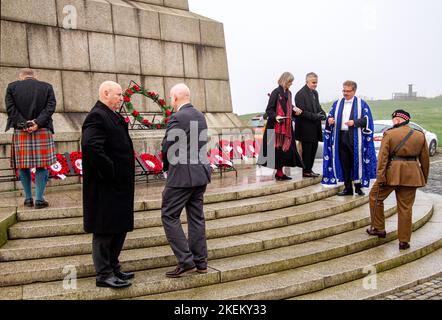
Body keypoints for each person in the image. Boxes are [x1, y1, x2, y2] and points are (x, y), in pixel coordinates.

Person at [81, 81, 135, 289]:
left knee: (119, 227)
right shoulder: (97, 115)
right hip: (106, 186)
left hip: (119, 186)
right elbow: (90, 146)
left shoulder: (111, 114)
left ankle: (113, 267)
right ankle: (103, 274)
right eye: (119, 95)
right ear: (106, 93)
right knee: (105, 230)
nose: (122, 99)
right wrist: (111, 170)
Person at [161, 83, 212, 278]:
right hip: (200, 174)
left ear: (175, 97)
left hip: (181, 176)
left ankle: (185, 260)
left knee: (169, 215)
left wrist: (166, 167)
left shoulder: (177, 117)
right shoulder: (200, 115)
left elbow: (167, 146)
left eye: (170, 97)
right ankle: (201, 262)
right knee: (196, 217)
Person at [367, 110, 429, 250]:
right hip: (412, 174)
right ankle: (404, 241)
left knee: (375, 196)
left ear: (396, 120)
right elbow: (425, 160)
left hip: (391, 173)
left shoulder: (389, 134)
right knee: (406, 208)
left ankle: (378, 228)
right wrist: (423, 177)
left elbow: (382, 158)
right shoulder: (420, 136)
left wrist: (380, 176)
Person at [5, 68, 56, 209]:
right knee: (42, 164)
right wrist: (37, 123)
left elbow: (10, 109)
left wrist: (24, 124)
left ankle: (28, 199)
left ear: (21, 77)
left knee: (23, 165)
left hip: (21, 131)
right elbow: (50, 107)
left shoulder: (12, 87)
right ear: (35, 77)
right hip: (42, 129)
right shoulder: (47, 87)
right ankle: (39, 200)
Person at [322, 80, 377, 195]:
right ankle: (347, 188)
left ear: (354, 91)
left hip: (355, 138)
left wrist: (355, 122)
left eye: (348, 91)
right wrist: (330, 120)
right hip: (340, 137)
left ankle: (358, 187)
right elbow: (330, 118)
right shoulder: (337, 104)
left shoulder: (362, 104)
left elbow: (367, 120)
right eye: (344, 90)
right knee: (344, 163)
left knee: (356, 162)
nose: (345, 93)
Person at [258, 72, 304, 180]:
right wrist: (276, 117)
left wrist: (294, 109)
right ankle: (279, 173)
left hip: (286, 127)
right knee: (277, 152)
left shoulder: (289, 93)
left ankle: (280, 173)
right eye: (289, 81)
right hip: (275, 127)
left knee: (286, 151)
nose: (291, 84)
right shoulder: (275, 92)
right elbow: (269, 110)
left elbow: (287, 106)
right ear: (284, 80)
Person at [295, 72, 327, 178]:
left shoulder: (315, 93)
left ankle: (310, 169)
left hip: (315, 127)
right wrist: (316, 116)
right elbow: (302, 112)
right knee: (307, 151)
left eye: (316, 82)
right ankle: (306, 170)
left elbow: (318, 107)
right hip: (305, 128)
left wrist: (323, 114)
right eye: (313, 82)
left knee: (314, 148)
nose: (315, 84)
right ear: (307, 81)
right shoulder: (300, 94)